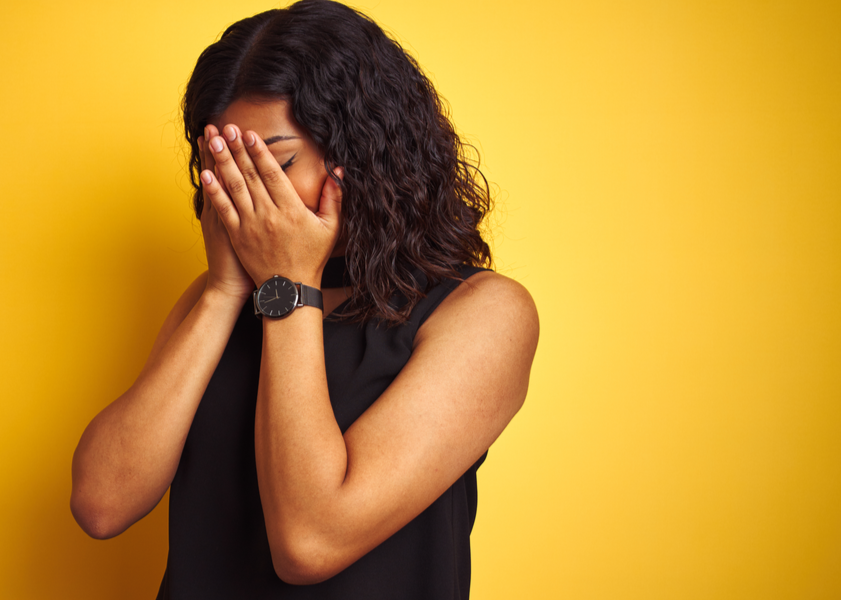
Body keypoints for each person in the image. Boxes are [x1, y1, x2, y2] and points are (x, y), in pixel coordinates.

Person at [70, 1, 539, 597]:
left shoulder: (482, 314)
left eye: (279, 161)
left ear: (364, 153)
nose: (248, 191)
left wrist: (287, 286)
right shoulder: (217, 296)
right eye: (229, 166)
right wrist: (222, 292)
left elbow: (310, 542)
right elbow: (101, 506)